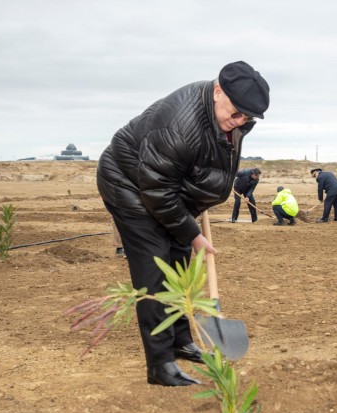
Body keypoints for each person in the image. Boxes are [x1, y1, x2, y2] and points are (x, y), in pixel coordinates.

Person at [97, 61, 270, 387]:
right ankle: (160, 365)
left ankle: (181, 341)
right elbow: (157, 190)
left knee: (179, 267)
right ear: (218, 90)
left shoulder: (231, 119)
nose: (239, 122)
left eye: (247, 117)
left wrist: (193, 215)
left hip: (173, 194)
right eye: (235, 113)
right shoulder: (178, 125)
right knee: (155, 272)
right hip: (131, 187)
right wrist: (192, 234)